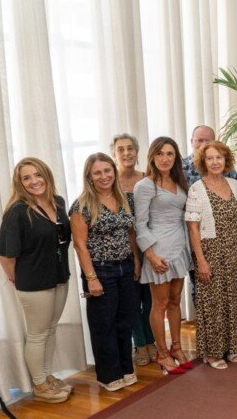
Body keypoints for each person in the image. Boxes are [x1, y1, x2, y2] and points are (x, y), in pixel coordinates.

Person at [0, 158, 73, 403]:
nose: (34, 181)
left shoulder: (58, 202)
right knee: (38, 334)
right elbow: (5, 255)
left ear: (46, 175)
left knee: (51, 329)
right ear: (20, 183)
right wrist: (18, 278)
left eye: (37, 175)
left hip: (59, 276)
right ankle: (39, 384)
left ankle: (47, 376)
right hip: (34, 283)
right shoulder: (17, 212)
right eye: (26, 178)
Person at [69, 153, 140, 391]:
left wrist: (136, 262)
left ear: (114, 171)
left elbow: (130, 233)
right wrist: (91, 278)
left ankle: (125, 368)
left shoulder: (124, 198)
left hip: (125, 266)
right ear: (89, 176)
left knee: (125, 321)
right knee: (104, 324)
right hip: (100, 270)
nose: (104, 176)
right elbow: (79, 244)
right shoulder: (81, 206)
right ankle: (108, 375)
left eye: (107, 170)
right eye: (97, 172)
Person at [185, 141, 237, 369]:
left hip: (235, 250)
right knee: (213, 303)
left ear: (226, 161)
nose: (215, 162)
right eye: (210, 158)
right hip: (211, 252)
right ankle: (213, 353)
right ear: (203, 163)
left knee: (234, 298)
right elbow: (193, 228)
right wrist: (201, 261)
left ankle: (231, 345)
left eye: (219, 158)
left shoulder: (234, 184)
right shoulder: (197, 189)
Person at [134, 137, 193, 375]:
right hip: (158, 251)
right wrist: (150, 254)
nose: (165, 158)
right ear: (152, 157)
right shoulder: (145, 185)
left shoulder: (179, 182)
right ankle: (162, 353)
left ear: (175, 158)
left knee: (175, 301)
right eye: (160, 154)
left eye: (170, 154)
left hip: (179, 248)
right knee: (159, 304)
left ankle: (177, 347)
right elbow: (139, 224)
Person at [112, 133, 155, 366]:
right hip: (123, 248)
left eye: (130, 148)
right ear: (114, 154)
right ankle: (139, 343)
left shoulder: (147, 178)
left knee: (150, 298)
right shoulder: (110, 181)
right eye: (121, 149)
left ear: (137, 152)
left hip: (149, 243)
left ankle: (152, 341)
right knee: (131, 299)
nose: (126, 153)